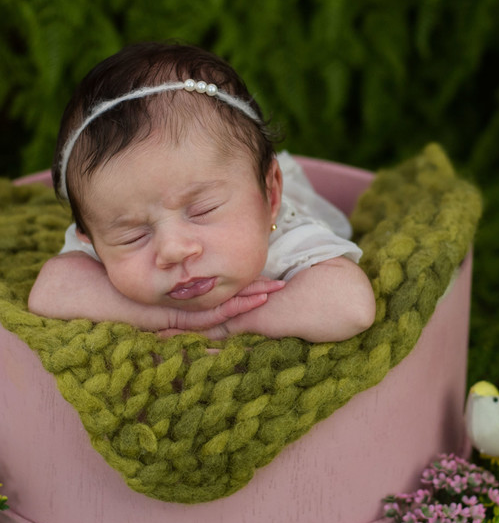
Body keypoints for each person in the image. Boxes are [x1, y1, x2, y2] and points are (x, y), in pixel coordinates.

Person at [27, 42, 376, 342]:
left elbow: (351, 307)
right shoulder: (109, 219)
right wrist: (176, 319)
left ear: (269, 197)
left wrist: (228, 324)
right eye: (134, 235)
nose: (174, 250)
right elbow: (51, 291)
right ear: (89, 238)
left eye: (202, 211)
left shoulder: (282, 240)